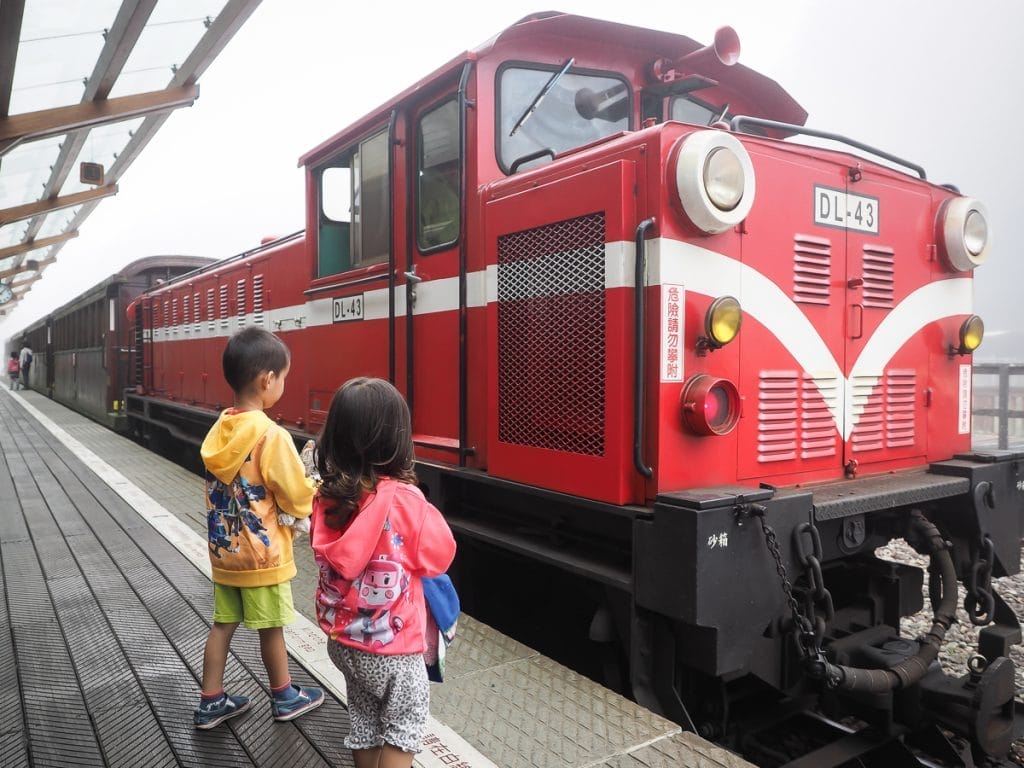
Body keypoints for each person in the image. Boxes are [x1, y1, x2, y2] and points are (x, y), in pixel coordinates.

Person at [310, 377, 456, 768]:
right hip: (393, 648)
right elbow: (440, 557)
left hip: (343, 642)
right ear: (398, 441)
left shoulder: (328, 496)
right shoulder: (407, 501)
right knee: (403, 729)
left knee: (364, 720)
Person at [194, 326, 324, 729]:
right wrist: (314, 485)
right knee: (271, 627)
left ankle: (211, 700)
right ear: (267, 380)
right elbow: (295, 496)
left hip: (225, 551)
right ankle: (284, 695)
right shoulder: (272, 435)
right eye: (283, 378)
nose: (283, 385)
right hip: (262, 553)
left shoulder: (220, 430)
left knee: (221, 625)